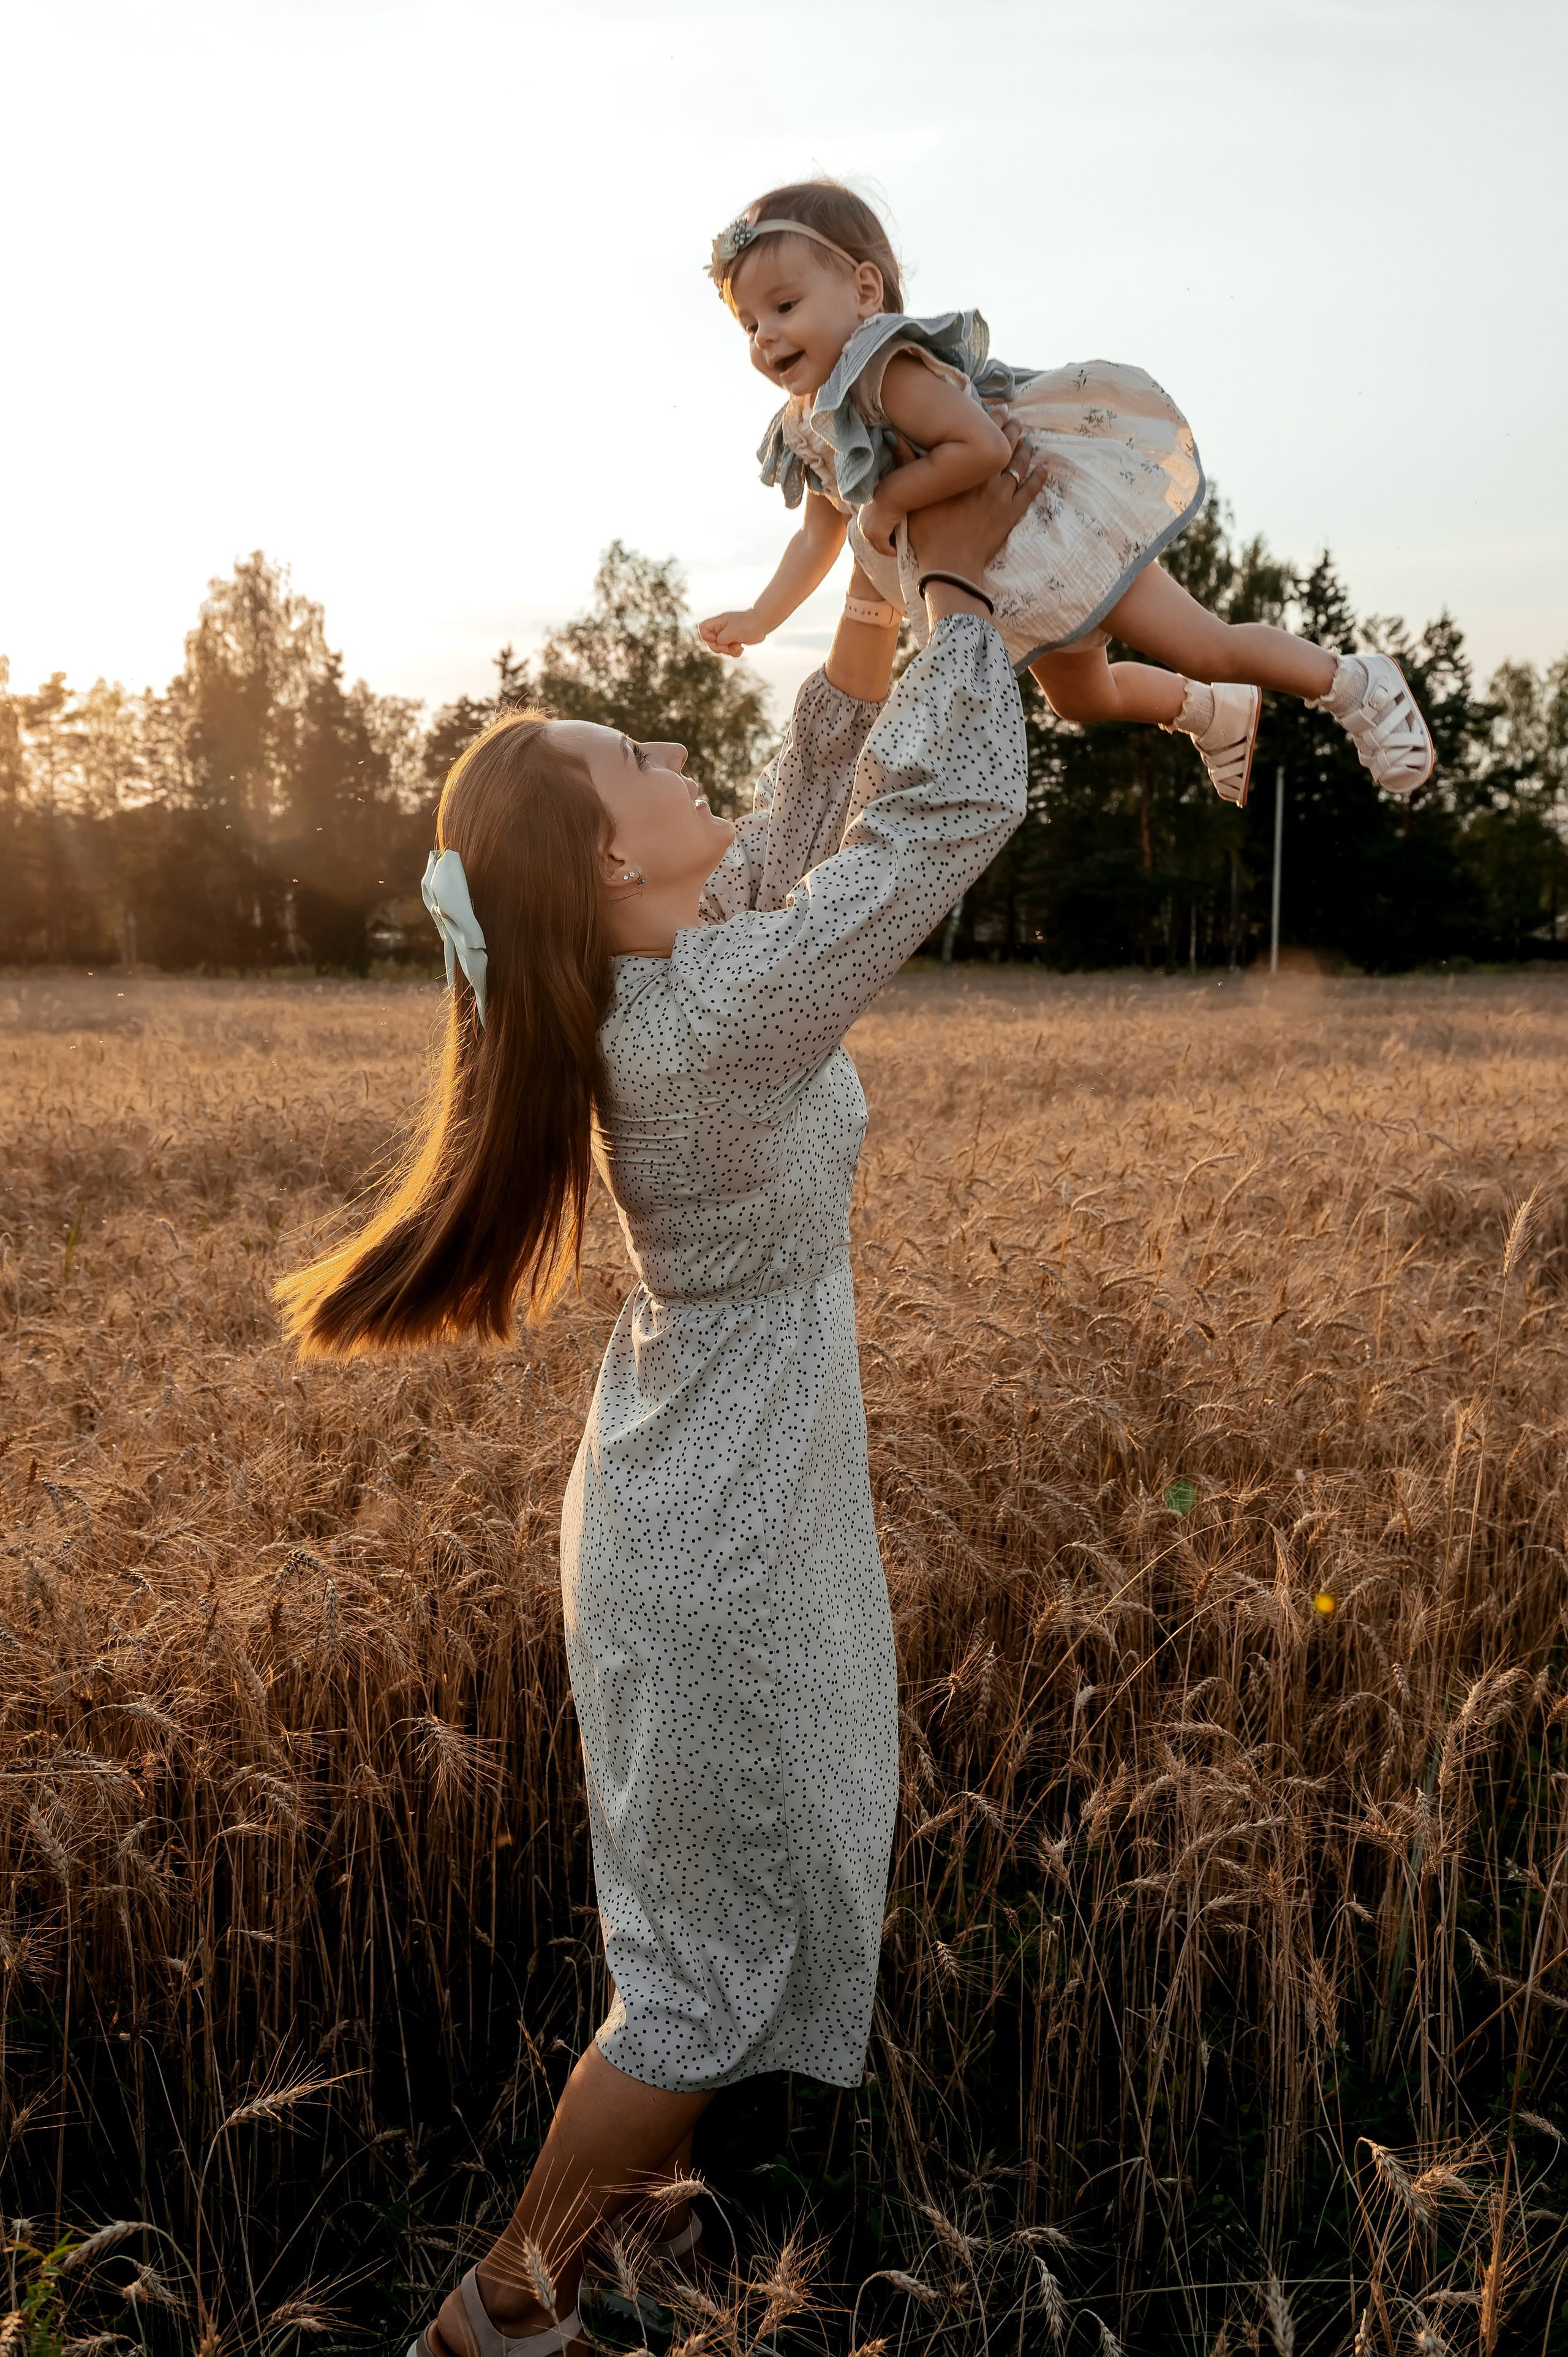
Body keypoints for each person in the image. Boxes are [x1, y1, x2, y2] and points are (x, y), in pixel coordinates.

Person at [274, 432, 1047, 2357]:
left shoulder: (687, 966)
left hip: (723, 1498)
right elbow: (928, 821)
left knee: (730, 1923)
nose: (677, 756)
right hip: (711, 1531)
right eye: (636, 759)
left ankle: (619, 2256)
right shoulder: (705, 1021)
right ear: (610, 855)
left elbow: (807, 781)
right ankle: (502, 2307)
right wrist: (971, 584)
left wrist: (887, 541)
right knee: (693, 1980)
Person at [698, 178, 1436, 811]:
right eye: (749, 322)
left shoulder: (888, 369)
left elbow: (980, 449)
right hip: (1005, 581)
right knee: (1080, 701)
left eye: (784, 306)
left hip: (1052, 538)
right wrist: (761, 615)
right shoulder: (810, 426)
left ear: (863, 290)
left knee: (1204, 643)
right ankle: (1210, 713)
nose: (765, 335)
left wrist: (888, 502)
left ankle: (1351, 681)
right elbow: (816, 538)